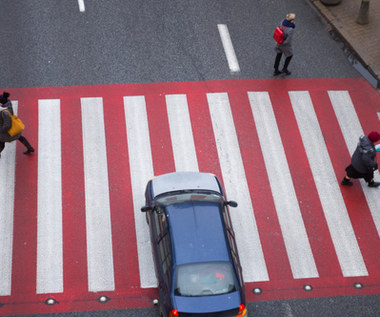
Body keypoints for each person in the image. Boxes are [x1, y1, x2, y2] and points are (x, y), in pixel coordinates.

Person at [0, 92, 35, 158]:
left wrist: (1, 130)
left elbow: (7, 125)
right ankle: (30, 148)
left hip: (6, 132)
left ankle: (30, 148)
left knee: (1, 143)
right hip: (13, 129)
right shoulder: (8, 106)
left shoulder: (4, 112)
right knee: (19, 137)